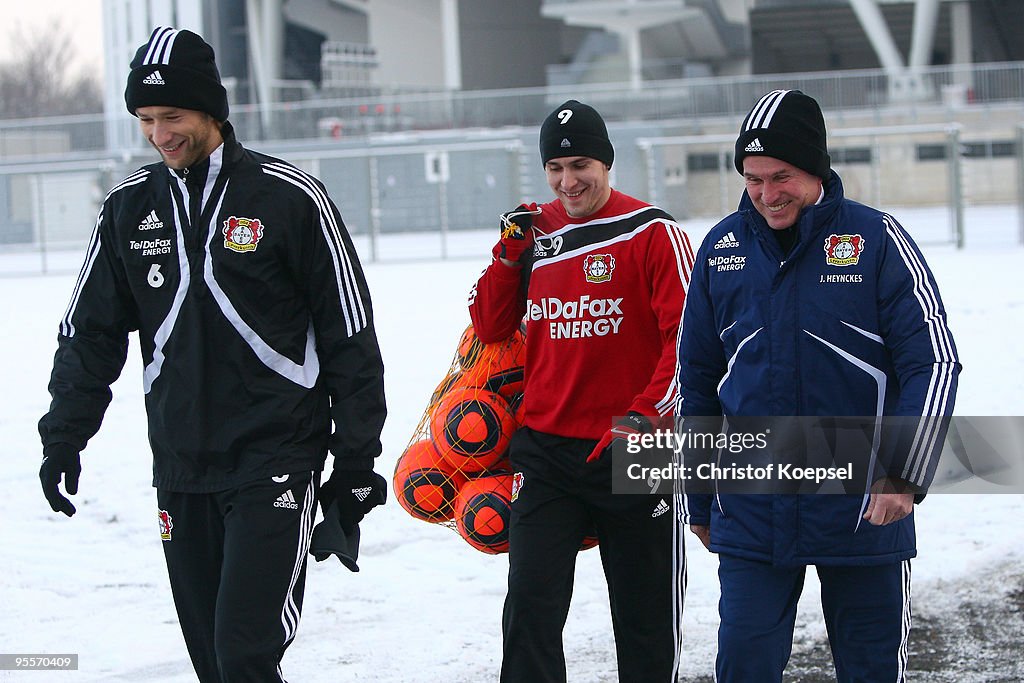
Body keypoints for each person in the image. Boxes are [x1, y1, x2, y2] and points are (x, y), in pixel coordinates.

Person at [37, 26, 388, 682]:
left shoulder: (290, 200)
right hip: (181, 468)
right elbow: (89, 336)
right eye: (145, 118)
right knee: (214, 664)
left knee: (244, 652)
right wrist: (63, 436)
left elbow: (350, 335)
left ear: (211, 111)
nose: (159, 133)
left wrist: (356, 458)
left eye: (172, 115)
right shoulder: (126, 213)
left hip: (275, 460)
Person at [676, 89, 961, 681]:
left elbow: (932, 362)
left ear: (816, 169)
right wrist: (699, 497)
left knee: (869, 669)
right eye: (753, 178)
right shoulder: (720, 250)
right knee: (744, 665)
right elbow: (697, 382)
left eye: (781, 176)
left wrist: (903, 472)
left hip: (863, 505)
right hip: (752, 504)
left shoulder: (877, 240)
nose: (766, 194)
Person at [469, 99, 693, 682]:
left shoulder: (653, 231)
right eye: (556, 168)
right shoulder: (533, 231)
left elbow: (688, 341)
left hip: (636, 448)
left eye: (582, 165)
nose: (568, 181)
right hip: (545, 450)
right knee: (530, 611)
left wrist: (648, 417)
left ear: (607, 163)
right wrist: (508, 255)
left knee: (645, 617)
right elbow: (491, 327)